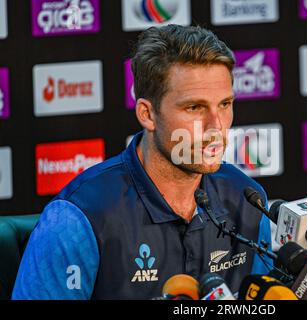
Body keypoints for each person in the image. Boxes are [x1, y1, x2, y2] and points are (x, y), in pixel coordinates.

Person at [12, 24, 272, 300]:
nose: (216, 126)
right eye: (194, 107)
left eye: (224, 104)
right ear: (147, 114)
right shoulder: (78, 217)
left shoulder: (248, 200)